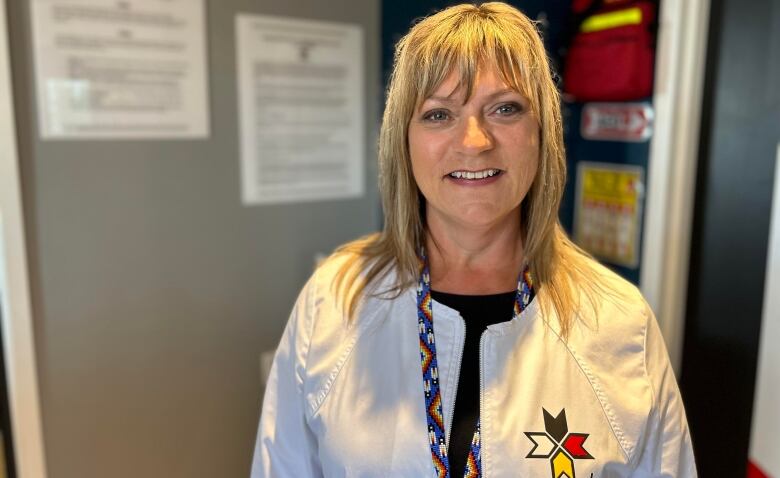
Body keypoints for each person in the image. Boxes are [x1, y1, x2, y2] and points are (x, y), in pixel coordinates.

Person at [250, 3, 697, 477]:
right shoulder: (333, 302)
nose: (474, 140)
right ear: (403, 141)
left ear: (541, 132)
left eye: (505, 108)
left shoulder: (618, 321)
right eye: (438, 114)